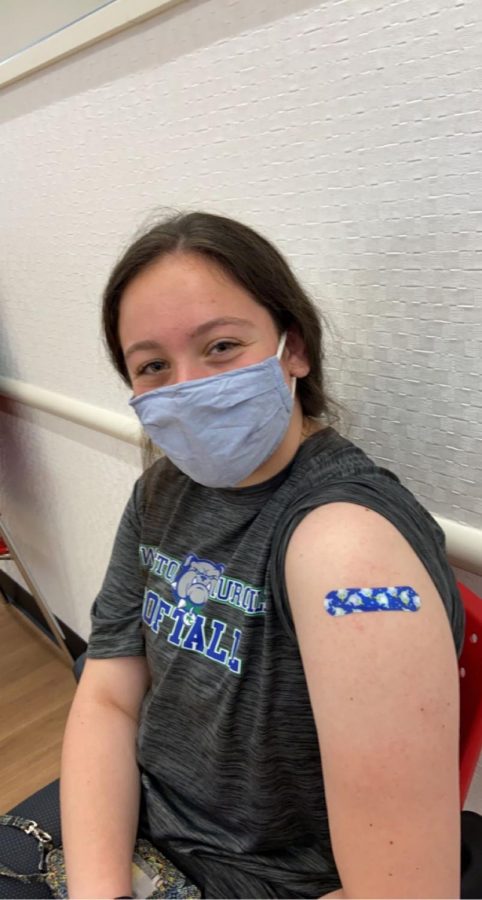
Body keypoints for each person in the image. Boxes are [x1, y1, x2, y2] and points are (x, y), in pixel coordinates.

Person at [60, 211, 464, 899]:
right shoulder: (160, 493)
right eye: (153, 365)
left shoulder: (343, 545)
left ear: (294, 349)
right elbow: (108, 698)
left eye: (220, 347)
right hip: (143, 827)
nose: (187, 386)